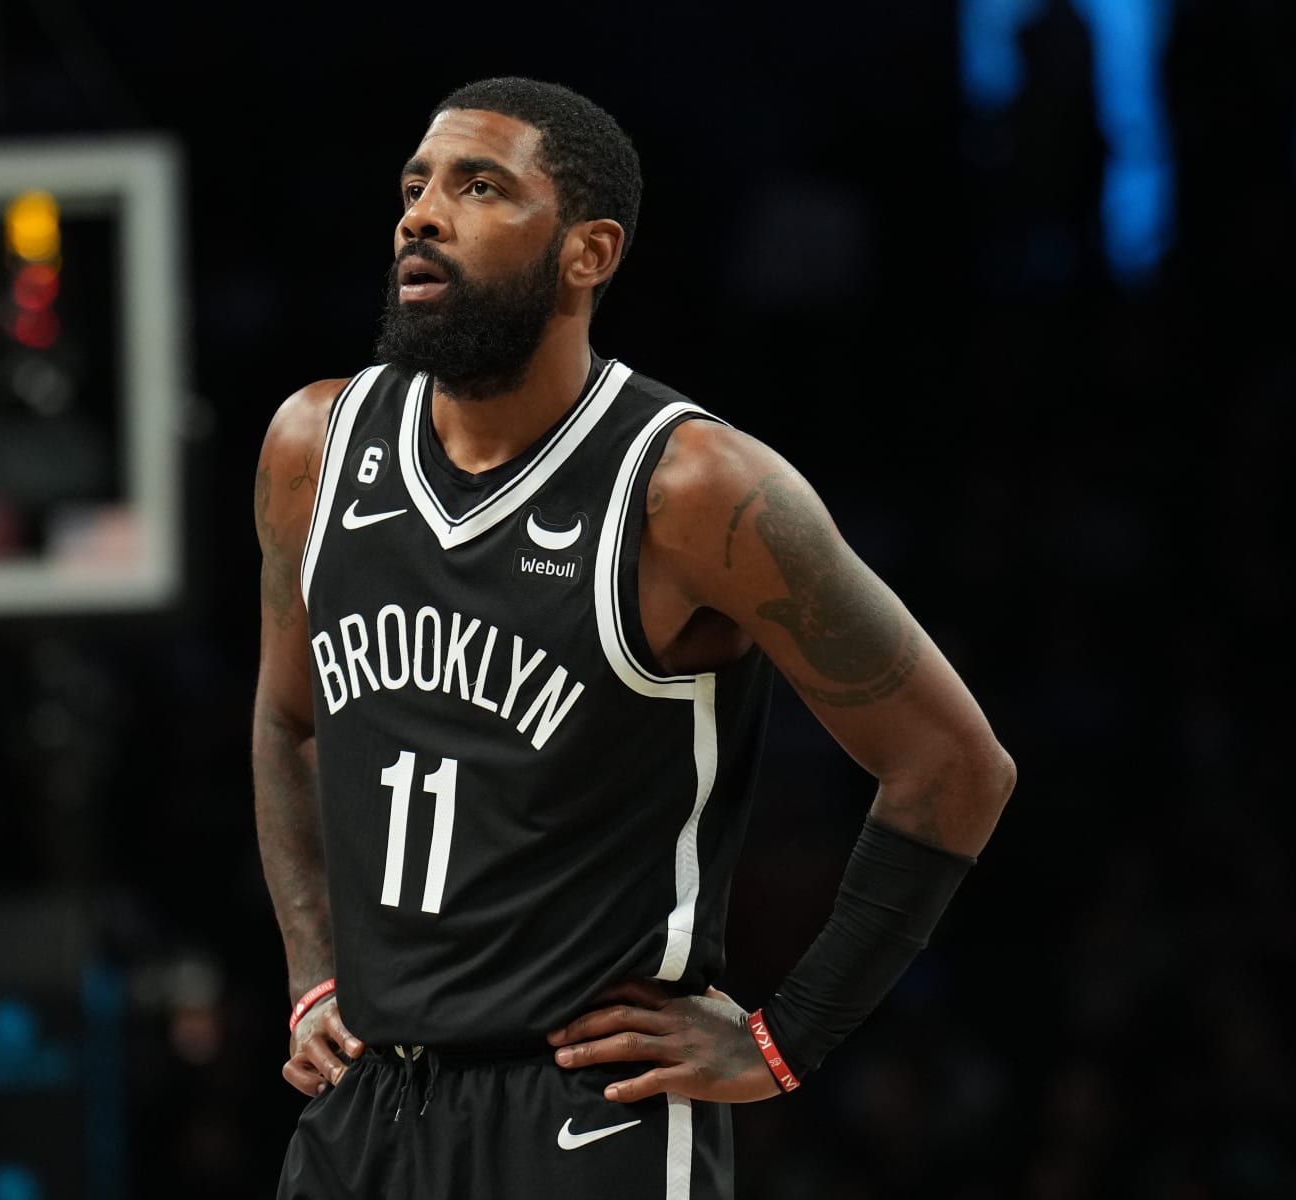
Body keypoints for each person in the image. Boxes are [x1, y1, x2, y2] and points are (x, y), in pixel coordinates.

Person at [251, 76, 1016, 1199]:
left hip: (582, 1112)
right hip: (364, 1103)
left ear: (587, 252)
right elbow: (287, 719)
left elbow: (955, 767)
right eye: (416, 185)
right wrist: (312, 970)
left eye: (479, 187)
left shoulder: (695, 490)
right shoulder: (313, 447)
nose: (422, 212)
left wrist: (785, 1038)